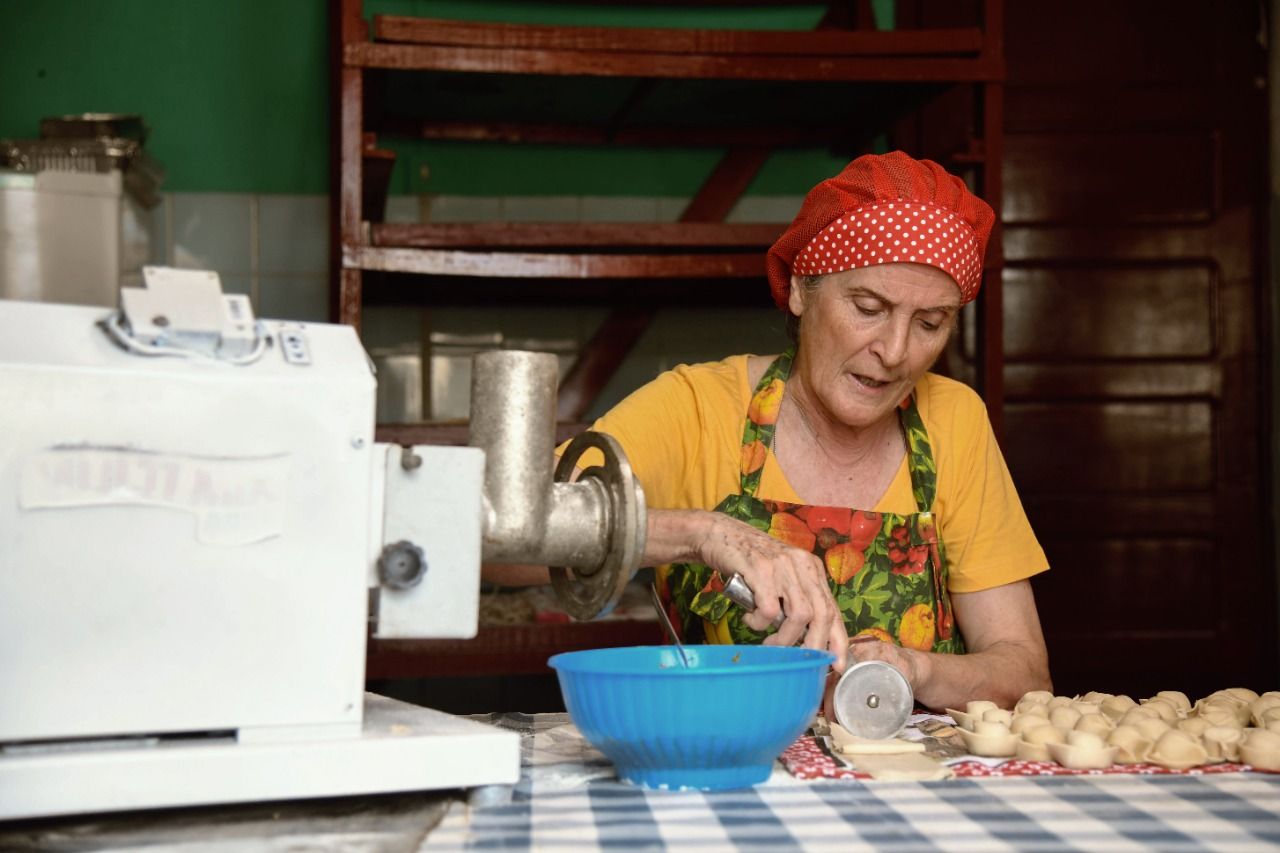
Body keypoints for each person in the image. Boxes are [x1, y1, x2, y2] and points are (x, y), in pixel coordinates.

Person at [487, 151, 1052, 711]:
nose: (895, 351)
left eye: (930, 323)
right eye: (868, 308)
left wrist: (911, 668)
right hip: (722, 758)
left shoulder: (953, 419)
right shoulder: (696, 408)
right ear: (802, 290)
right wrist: (703, 534)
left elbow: (1025, 674)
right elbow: (492, 538)